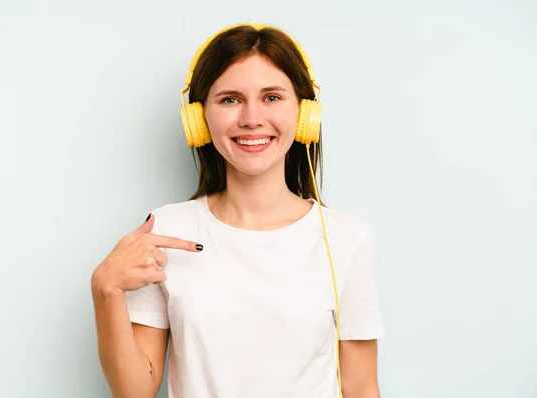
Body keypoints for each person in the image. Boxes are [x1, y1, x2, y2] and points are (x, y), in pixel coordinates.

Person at [91, 23, 384, 398]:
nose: (251, 118)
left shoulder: (346, 239)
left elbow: (360, 388)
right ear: (199, 119)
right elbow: (134, 392)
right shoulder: (167, 231)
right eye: (230, 99)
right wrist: (105, 289)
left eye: (272, 97)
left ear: (305, 112)